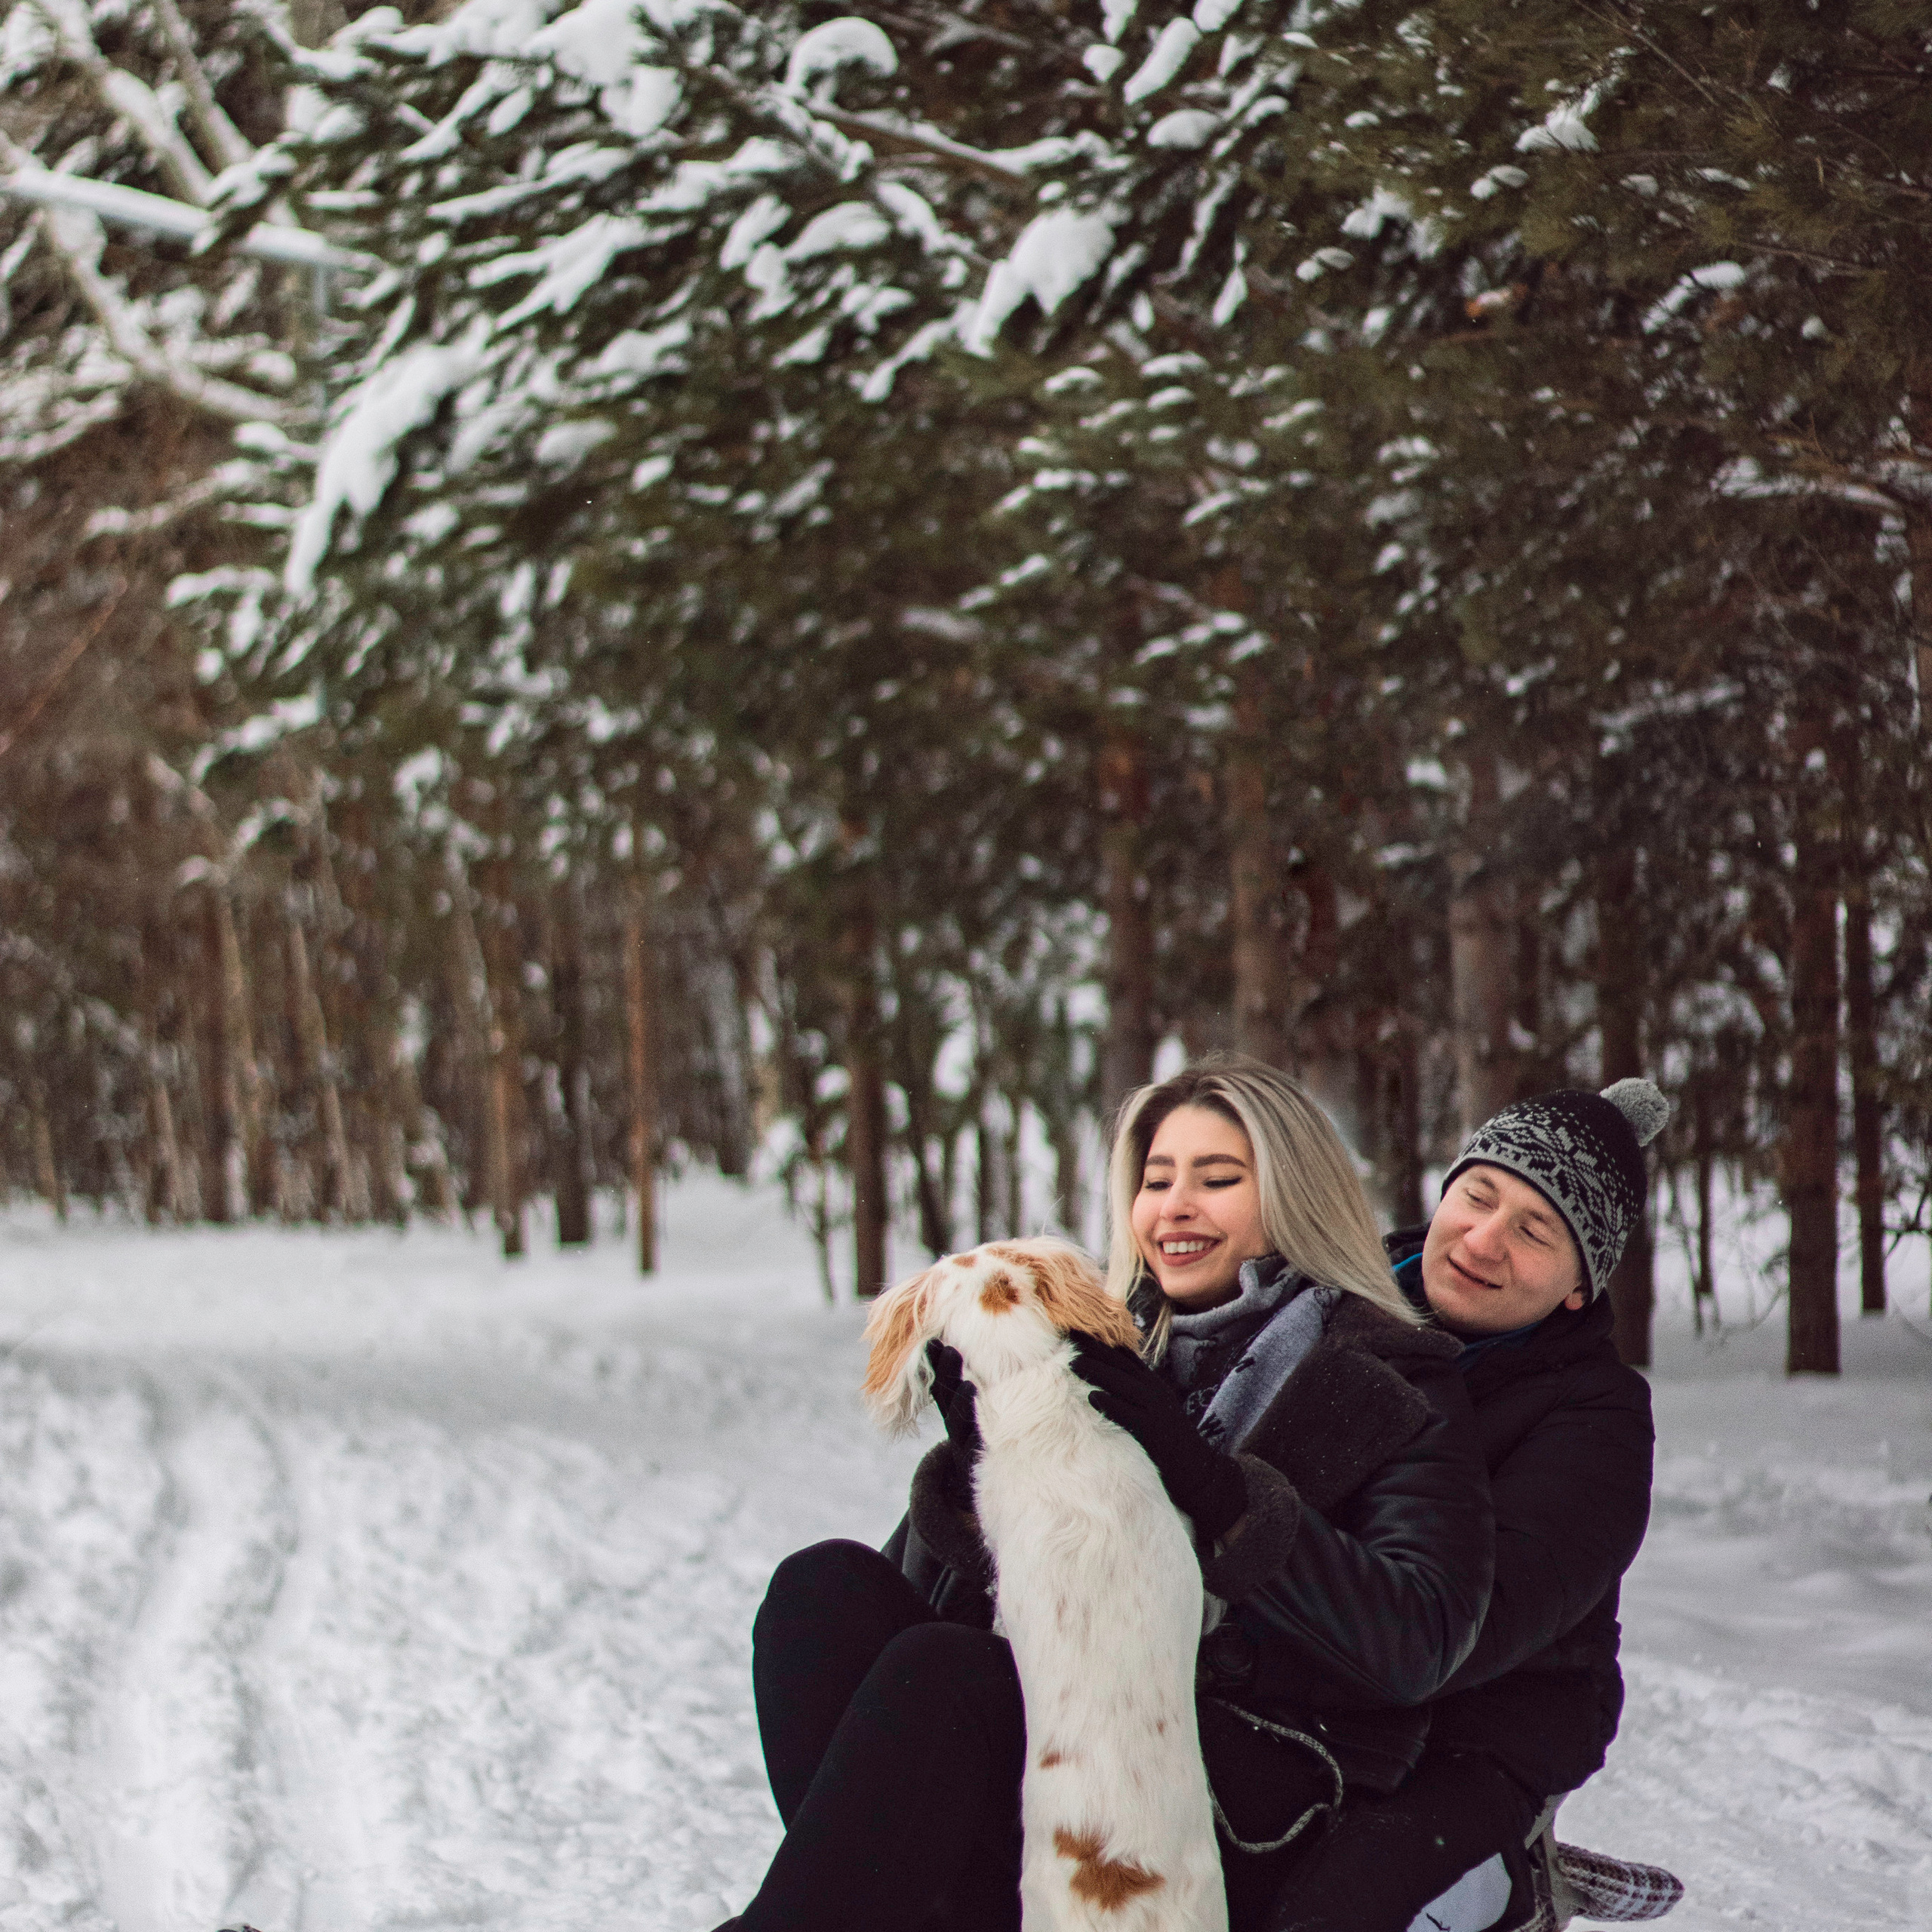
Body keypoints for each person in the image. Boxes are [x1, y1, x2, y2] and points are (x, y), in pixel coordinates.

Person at [721, 1056, 1494, 1932]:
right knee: (819, 1594)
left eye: (1218, 1178)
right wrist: (991, 1468)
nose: (1174, 1206)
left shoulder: (1390, 1376)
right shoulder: (1095, 1337)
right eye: (1155, 1179)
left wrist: (1215, 1490)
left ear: (1293, 1194)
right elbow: (984, 1599)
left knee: (949, 1676)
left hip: (1228, 1784)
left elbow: (1416, 1638)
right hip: (1059, 1738)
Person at [1269, 1080, 1663, 1932]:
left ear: (1578, 1285)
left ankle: (1504, 1881)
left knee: (1334, 1904)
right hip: (1309, 1679)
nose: (1484, 1240)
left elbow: (1470, 1629)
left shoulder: (1596, 1416)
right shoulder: (1329, 1302)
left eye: (1534, 1230)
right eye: (1478, 1196)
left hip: (1480, 1721)